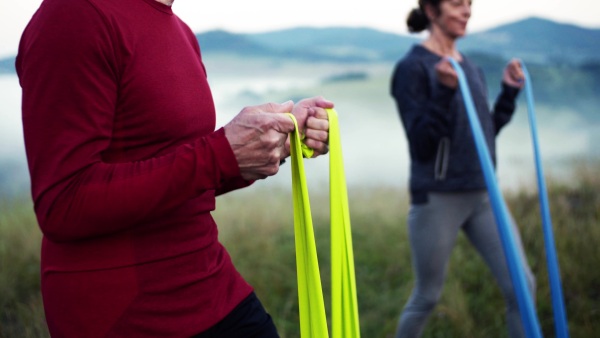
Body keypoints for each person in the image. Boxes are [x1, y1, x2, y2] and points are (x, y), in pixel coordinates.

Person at [16, 0, 331, 337]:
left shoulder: (180, 31)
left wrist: (272, 146)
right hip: (125, 314)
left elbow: (180, 174)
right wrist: (221, 153)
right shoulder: (75, 14)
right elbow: (63, 203)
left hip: (210, 286)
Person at [390, 0, 536, 337]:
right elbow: (422, 144)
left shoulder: (469, 66)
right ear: (430, 10)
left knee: (522, 287)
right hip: (439, 198)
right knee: (427, 296)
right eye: (457, 4)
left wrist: (509, 94)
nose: (466, 10)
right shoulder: (413, 68)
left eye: (469, 4)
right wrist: (443, 90)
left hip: (483, 194)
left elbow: (485, 132)